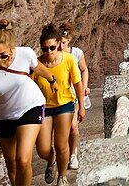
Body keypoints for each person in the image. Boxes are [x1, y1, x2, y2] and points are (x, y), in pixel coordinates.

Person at [0, 20, 60, 186]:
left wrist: (52, 80)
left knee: (23, 159)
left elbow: (39, 68)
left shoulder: (25, 54)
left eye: (4, 56)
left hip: (31, 106)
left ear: (11, 49)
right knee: (12, 165)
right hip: (4, 117)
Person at [33, 24, 84, 185]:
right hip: (44, 107)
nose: (49, 52)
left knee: (61, 144)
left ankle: (62, 177)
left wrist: (81, 106)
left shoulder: (68, 59)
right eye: (45, 49)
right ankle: (51, 159)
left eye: (52, 47)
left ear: (58, 44)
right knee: (42, 148)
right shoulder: (36, 64)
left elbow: (77, 84)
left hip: (65, 105)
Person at [57, 21, 89, 170]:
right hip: (61, 94)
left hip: (75, 93)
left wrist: (85, 86)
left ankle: (73, 155)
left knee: (74, 127)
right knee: (66, 128)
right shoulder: (53, 54)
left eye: (63, 42)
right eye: (59, 42)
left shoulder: (76, 53)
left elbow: (84, 69)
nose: (60, 46)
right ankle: (64, 154)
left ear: (68, 40)